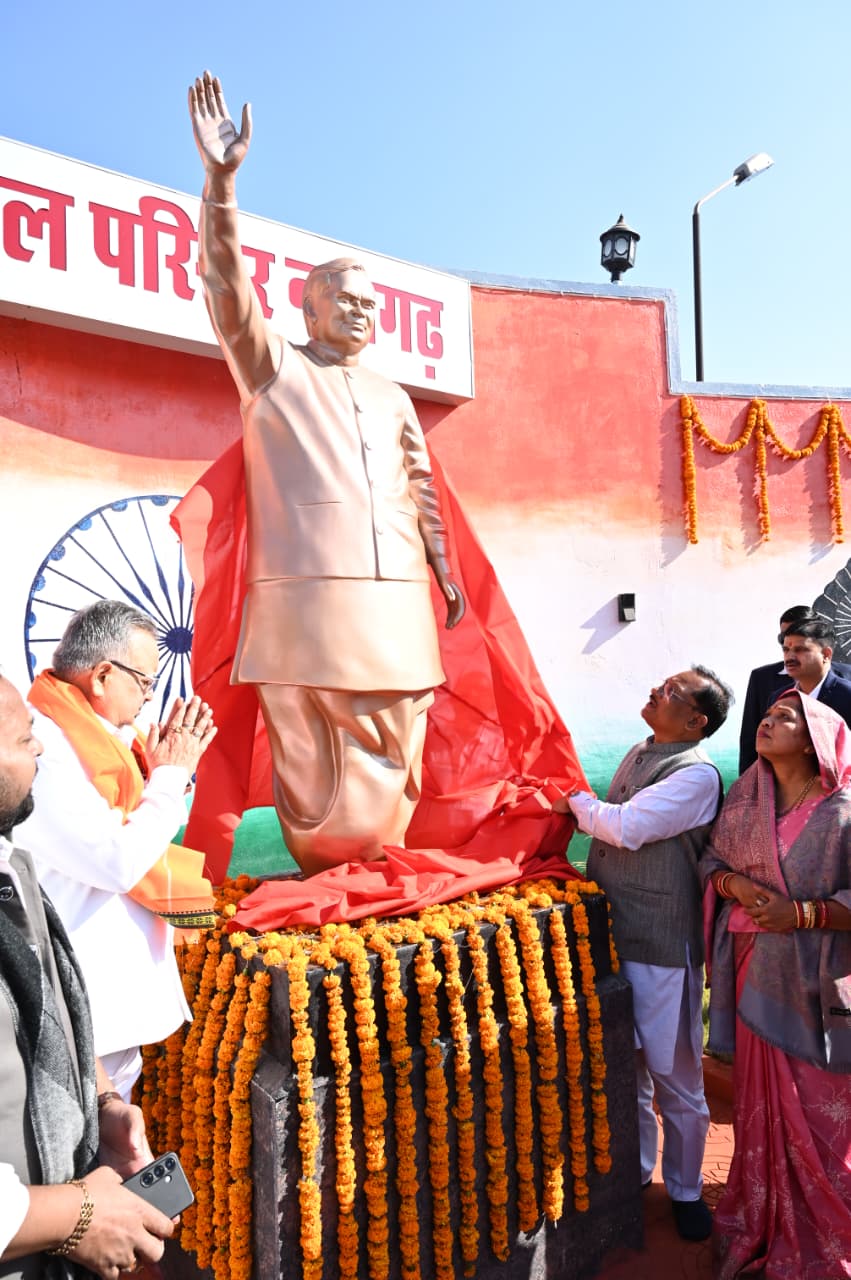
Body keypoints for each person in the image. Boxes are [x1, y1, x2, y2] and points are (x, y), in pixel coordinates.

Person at [187, 70, 465, 876]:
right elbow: (225, 289)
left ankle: (375, 882)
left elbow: (422, 489)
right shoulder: (273, 371)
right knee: (317, 769)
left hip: (399, 607)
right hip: (306, 605)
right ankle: (329, 882)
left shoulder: (390, 394)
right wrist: (220, 186)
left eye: (369, 304)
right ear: (306, 311)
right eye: (342, 301)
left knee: (396, 747)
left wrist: (442, 569)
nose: (359, 313)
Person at [0, 673, 175, 1279]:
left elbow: (45, 1002)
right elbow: (120, 860)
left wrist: (101, 1102)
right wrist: (74, 1217)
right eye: (24, 740)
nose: (41, 749)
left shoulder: (11, 863)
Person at [556, 665, 733, 1241]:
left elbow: (628, 827)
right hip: (613, 933)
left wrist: (573, 802)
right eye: (662, 684)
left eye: (672, 691)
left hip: (660, 943)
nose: (657, 691)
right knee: (627, 1066)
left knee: (676, 1074)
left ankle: (684, 1190)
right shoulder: (642, 749)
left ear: (696, 720)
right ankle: (635, 1172)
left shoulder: (697, 775)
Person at [16, 600, 217, 1100]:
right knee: (91, 1156)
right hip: (86, 1005)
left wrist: (162, 770)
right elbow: (117, 860)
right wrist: (170, 776)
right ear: (103, 675)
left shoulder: (110, 738)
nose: (150, 698)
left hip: (113, 1003)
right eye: (144, 683)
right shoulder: (47, 749)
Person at [703, 691, 851, 1278]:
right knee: (761, 1104)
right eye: (766, 714)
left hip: (819, 988)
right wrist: (736, 887)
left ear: (816, 736)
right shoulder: (744, 799)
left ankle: (829, 1225)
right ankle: (766, 1216)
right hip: (753, 971)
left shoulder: (843, 810)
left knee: (820, 1111)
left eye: (786, 717)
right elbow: (711, 864)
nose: (767, 721)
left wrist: (803, 915)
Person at [738, 604, 816, 773]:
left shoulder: (846, 678)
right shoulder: (762, 678)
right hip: (778, 781)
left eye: (800, 635)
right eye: (785, 638)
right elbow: (750, 739)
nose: (791, 642)